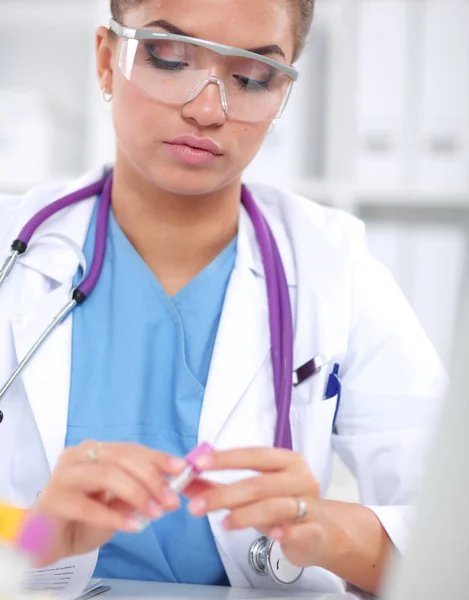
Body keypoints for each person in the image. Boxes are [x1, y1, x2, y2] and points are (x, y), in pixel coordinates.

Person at [0, 0, 446, 595]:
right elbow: (21, 551)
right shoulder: (13, 254)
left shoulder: (334, 268)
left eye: (253, 78)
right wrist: (34, 540)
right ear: (107, 60)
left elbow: (449, 533)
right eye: (168, 58)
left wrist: (330, 534)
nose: (208, 108)